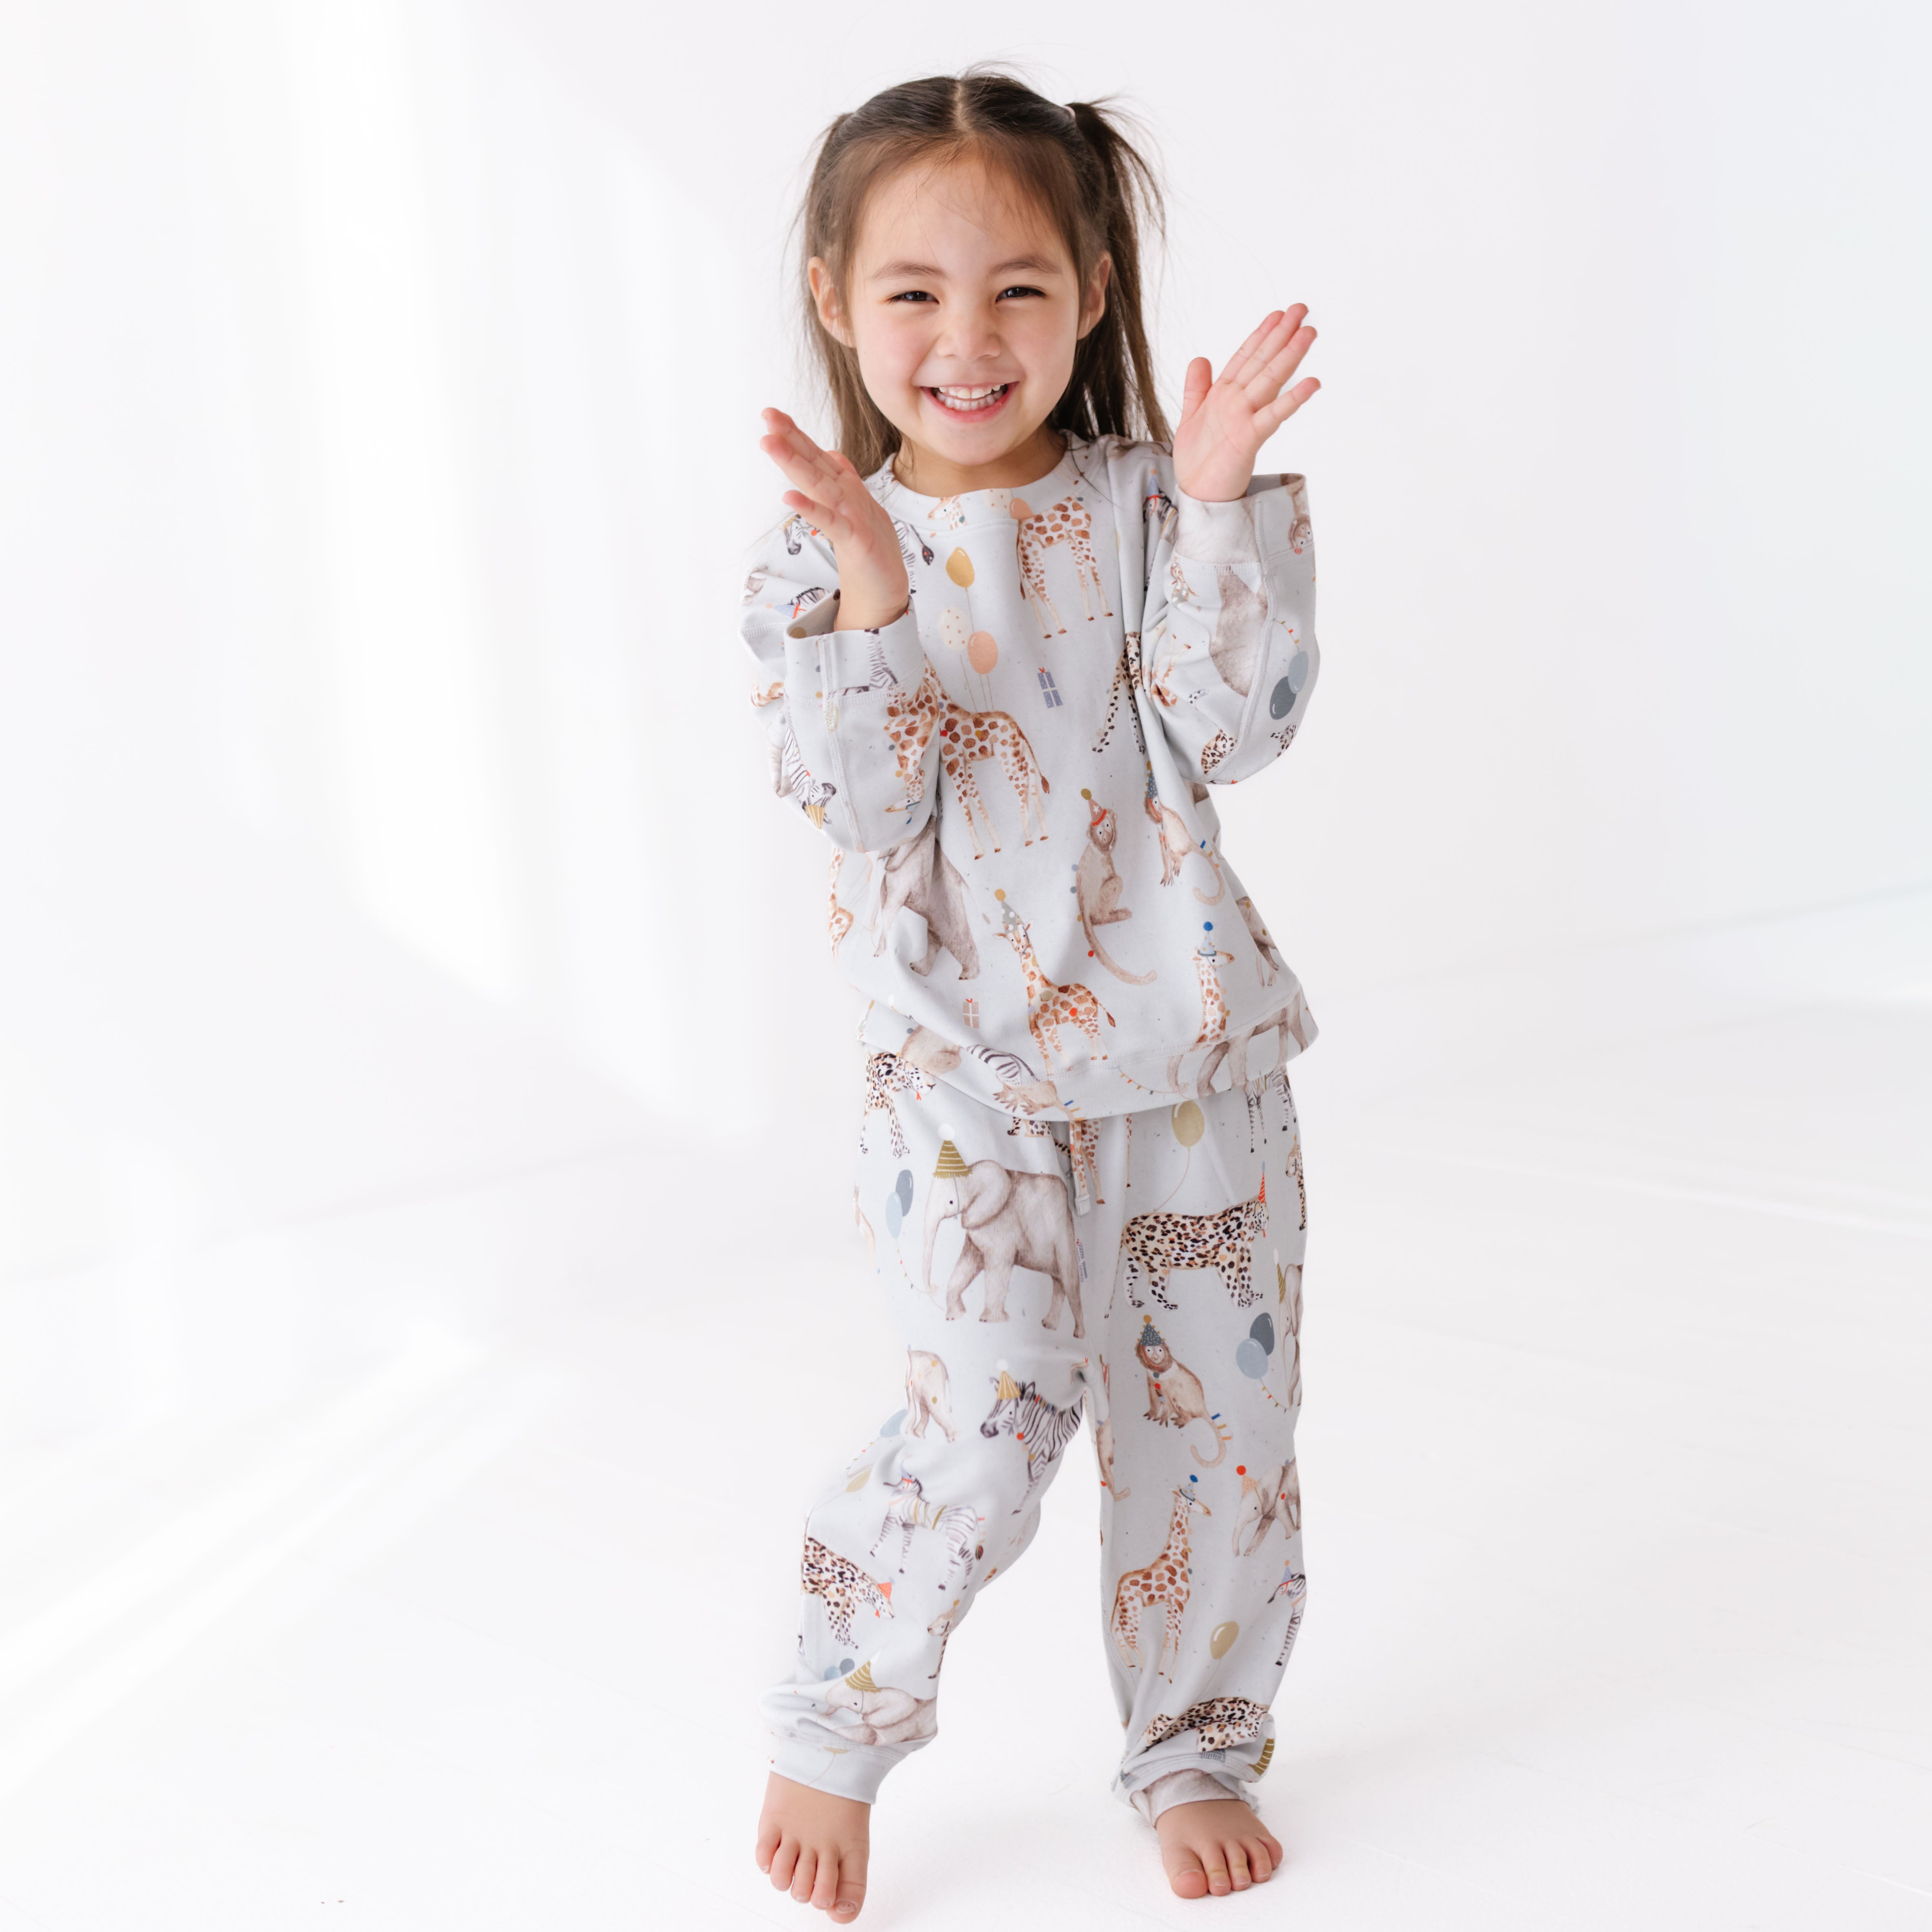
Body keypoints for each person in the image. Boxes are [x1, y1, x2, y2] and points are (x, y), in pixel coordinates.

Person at [740, 69, 1321, 1921]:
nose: (969, 339)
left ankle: (1195, 1741)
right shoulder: (820, 550)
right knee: (985, 1420)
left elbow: (1234, 728)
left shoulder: (1155, 501)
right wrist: (868, 589)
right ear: (836, 300)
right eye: (914, 292)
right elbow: (858, 801)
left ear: (1091, 289)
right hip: (961, 1083)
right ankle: (838, 1713)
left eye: (1018, 288)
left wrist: (1215, 505)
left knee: (1217, 1442)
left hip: (1190, 1063)